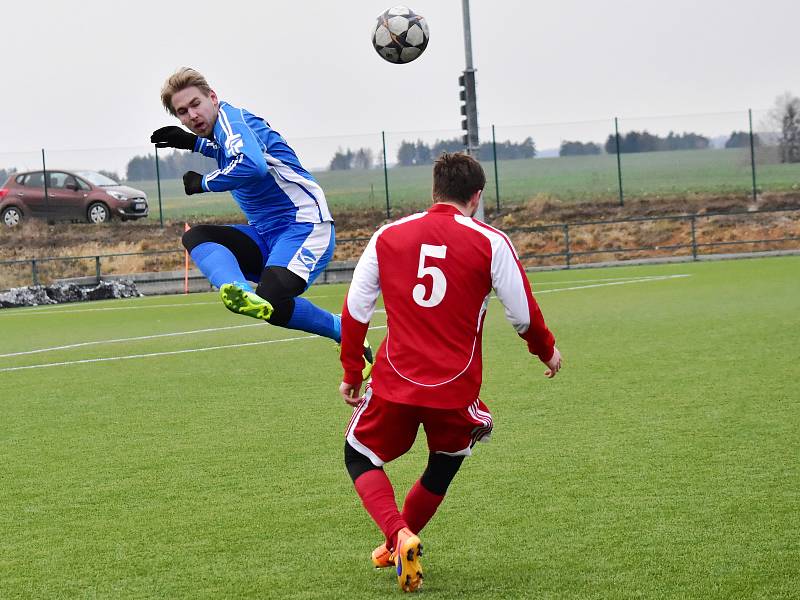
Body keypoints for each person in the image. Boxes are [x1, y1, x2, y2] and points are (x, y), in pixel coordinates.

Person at [338, 152, 562, 593]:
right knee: (445, 461)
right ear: (476, 197)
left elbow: (355, 309)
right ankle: (396, 540)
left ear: (434, 190)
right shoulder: (491, 241)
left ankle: (397, 535)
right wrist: (546, 351)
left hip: (395, 380)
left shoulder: (388, 235)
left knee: (359, 455)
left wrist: (351, 370)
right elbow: (522, 313)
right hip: (455, 388)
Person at [151, 67, 371, 373]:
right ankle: (237, 289)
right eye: (182, 112)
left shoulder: (232, 121)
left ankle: (342, 330)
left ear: (213, 97)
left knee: (272, 298)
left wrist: (203, 183)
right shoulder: (224, 130)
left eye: (196, 104)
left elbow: (252, 166)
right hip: (266, 235)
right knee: (197, 237)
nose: (191, 116)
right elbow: (230, 150)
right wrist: (194, 144)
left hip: (304, 226)